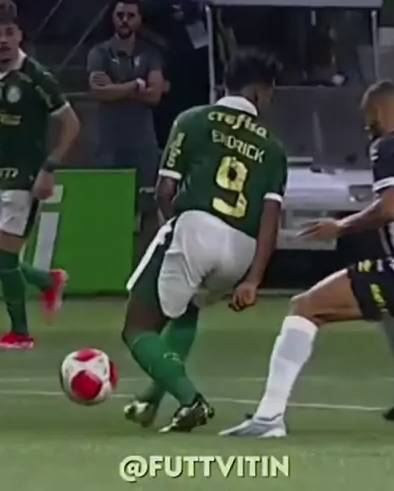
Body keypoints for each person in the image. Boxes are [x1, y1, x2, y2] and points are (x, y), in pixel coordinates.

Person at [221, 80, 394, 438]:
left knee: (306, 307)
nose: (366, 125)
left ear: (379, 110)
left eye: (368, 116)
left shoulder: (390, 146)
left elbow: (392, 208)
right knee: (389, 306)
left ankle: (268, 418)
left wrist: (340, 226)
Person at [121, 49, 287, 433]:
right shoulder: (272, 147)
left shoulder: (193, 120)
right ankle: (149, 401)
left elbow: (165, 190)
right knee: (188, 310)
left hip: (197, 228)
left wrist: (177, 226)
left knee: (138, 328)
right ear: (258, 92)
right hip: (242, 250)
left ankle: (191, 401)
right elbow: (271, 219)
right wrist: (253, 279)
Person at [0, 7, 80, 349]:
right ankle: (47, 281)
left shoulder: (36, 77)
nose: (2, 40)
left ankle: (20, 334)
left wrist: (49, 168)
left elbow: (72, 124)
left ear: (20, 36)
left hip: (24, 176)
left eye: (8, 33)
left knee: (3, 256)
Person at [87, 0, 165, 251]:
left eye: (130, 15)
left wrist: (116, 88)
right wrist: (135, 85)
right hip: (109, 141)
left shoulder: (150, 53)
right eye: (120, 15)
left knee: (146, 209)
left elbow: (154, 95)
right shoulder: (99, 52)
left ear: (139, 19)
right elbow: (99, 92)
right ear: (113, 17)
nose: (124, 20)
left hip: (143, 142)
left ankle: (144, 259)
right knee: (108, 205)